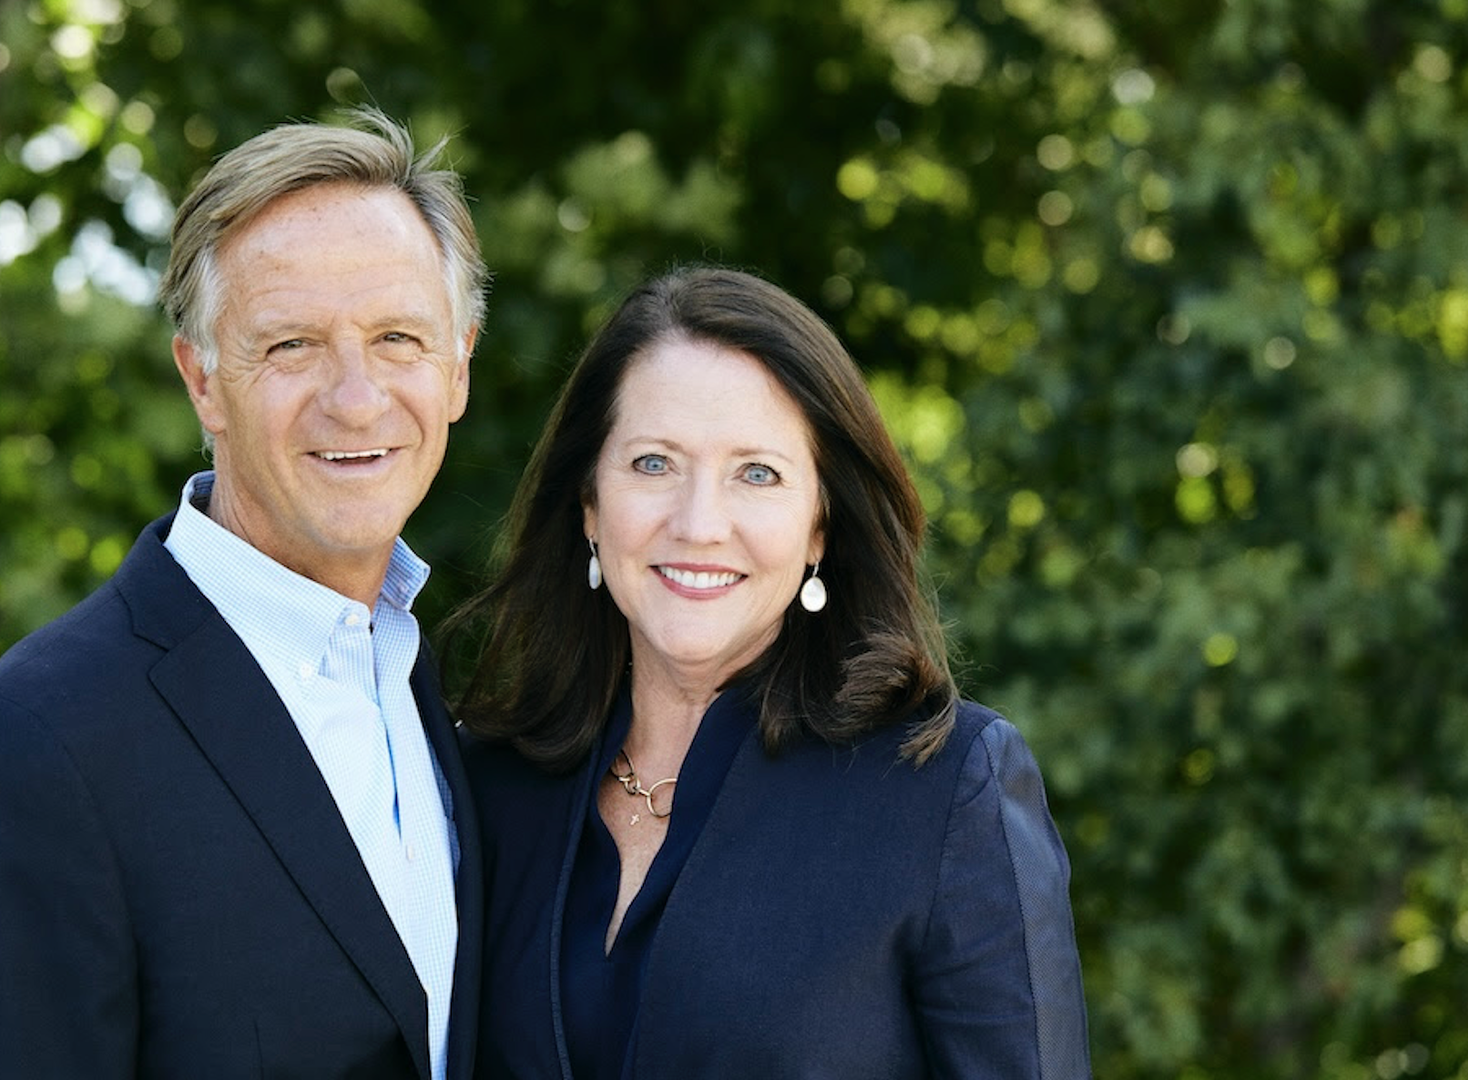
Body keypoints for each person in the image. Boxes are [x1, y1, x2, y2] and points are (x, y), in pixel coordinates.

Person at [0, 110, 488, 1080]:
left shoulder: (433, 685)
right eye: (291, 345)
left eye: (398, 338)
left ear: (457, 367)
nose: (356, 398)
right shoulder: (30, 750)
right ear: (202, 380)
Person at [451, 266, 1090, 1078]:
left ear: (821, 525)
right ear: (588, 502)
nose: (699, 523)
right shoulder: (487, 786)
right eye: (654, 463)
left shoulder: (945, 790)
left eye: (757, 473)